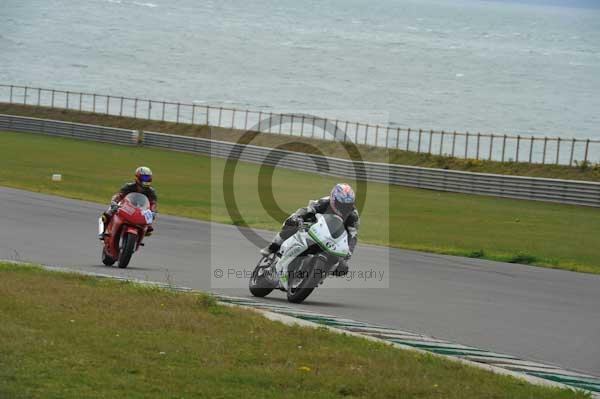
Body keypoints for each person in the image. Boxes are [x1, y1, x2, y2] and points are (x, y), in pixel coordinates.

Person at [261, 183, 359, 275]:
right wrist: (297, 217)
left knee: (342, 268)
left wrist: (348, 252)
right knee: (292, 226)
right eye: (340, 204)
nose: (343, 207)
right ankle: (273, 246)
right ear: (333, 199)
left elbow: (353, 235)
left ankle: (316, 276)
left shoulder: (353, 215)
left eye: (347, 205)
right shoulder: (325, 201)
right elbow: (307, 209)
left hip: (332, 240)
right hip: (314, 227)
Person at [98, 166, 158, 239]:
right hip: (126, 206)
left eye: (148, 178)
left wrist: (153, 211)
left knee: (150, 224)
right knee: (107, 214)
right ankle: (103, 232)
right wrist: (114, 202)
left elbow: (153, 203)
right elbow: (119, 195)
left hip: (141, 209)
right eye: (145, 178)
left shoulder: (151, 191)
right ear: (137, 177)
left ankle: (141, 234)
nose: (147, 179)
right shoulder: (129, 186)